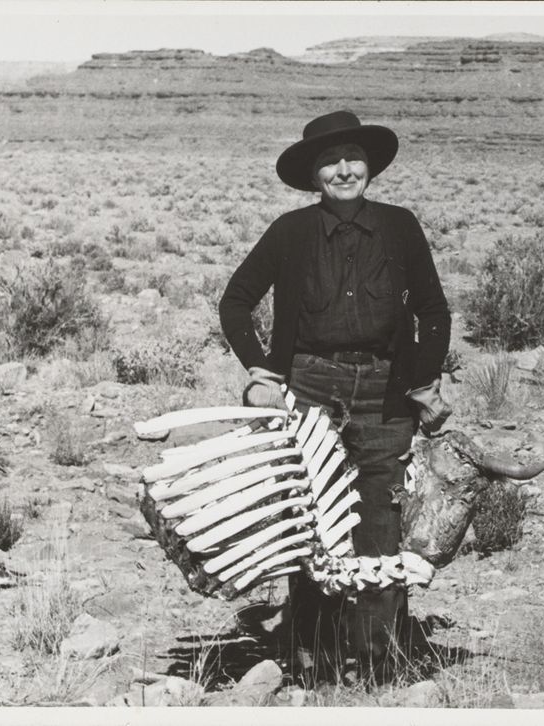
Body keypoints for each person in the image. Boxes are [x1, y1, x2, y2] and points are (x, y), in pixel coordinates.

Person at [218, 110, 452, 684]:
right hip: (310, 390)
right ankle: (314, 660)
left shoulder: (400, 226)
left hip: (384, 394)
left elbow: (433, 311)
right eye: (330, 161)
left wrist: (423, 380)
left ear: (369, 166)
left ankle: (379, 664)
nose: (344, 170)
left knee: (380, 525)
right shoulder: (291, 232)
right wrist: (261, 372)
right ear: (313, 174)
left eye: (353, 159)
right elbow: (236, 302)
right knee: (316, 524)